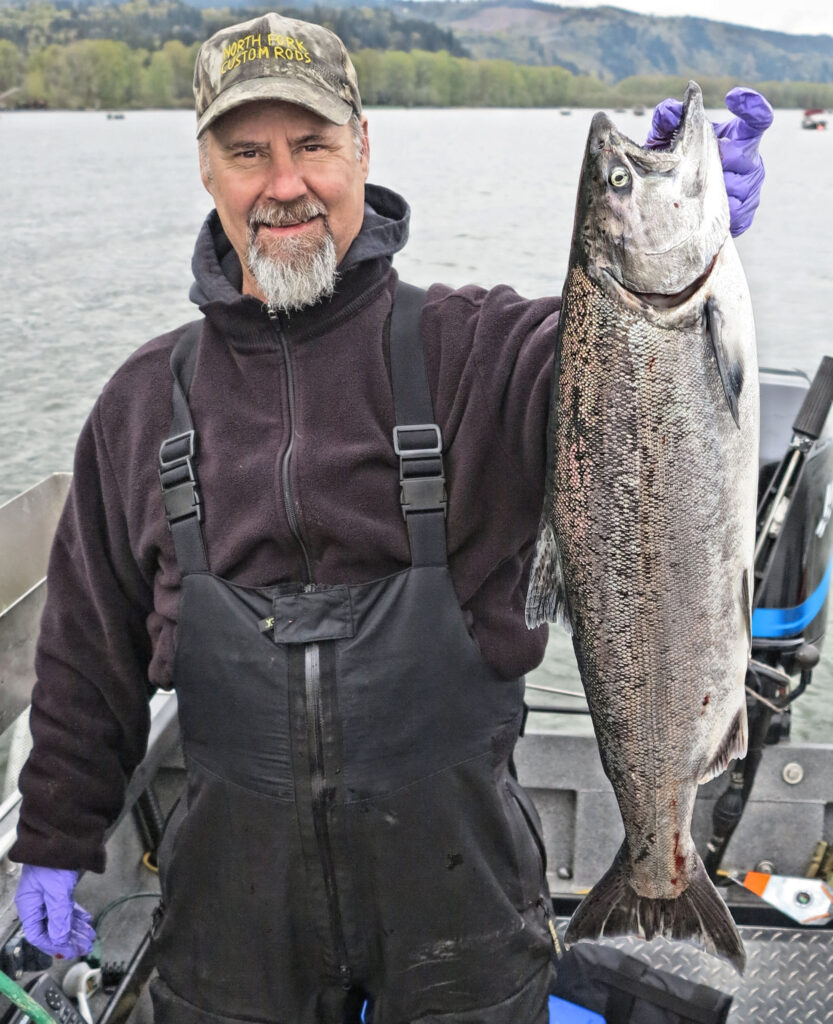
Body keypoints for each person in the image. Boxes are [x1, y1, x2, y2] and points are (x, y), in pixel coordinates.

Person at [10, 12, 772, 1024]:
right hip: (230, 927)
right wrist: (53, 847)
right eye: (248, 153)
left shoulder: (477, 349)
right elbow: (85, 660)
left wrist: (674, 251)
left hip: (462, 906)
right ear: (206, 170)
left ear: (362, 149)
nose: (284, 185)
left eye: (313, 145)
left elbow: (616, 378)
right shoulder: (141, 405)